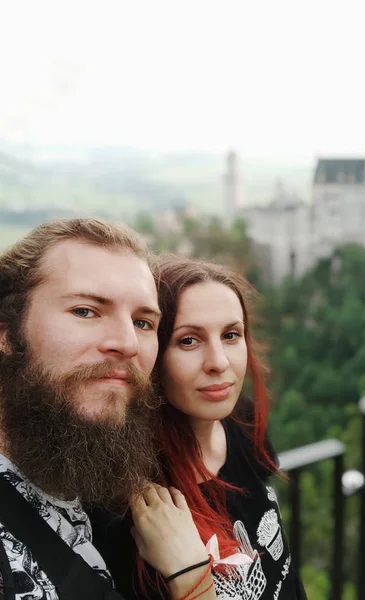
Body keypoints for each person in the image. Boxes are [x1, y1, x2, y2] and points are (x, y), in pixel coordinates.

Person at [0, 219, 216, 600]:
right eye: (86, 311)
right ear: (6, 334)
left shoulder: (85, 467)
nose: (128, 343)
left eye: (143, 322)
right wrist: (193, 583)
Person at [92, 254, 307, 600]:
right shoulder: (126, 498)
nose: (219, 363)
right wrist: (188, 577)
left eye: (231, 335)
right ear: (152, 353)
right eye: (189, 341)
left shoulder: (244, 423)